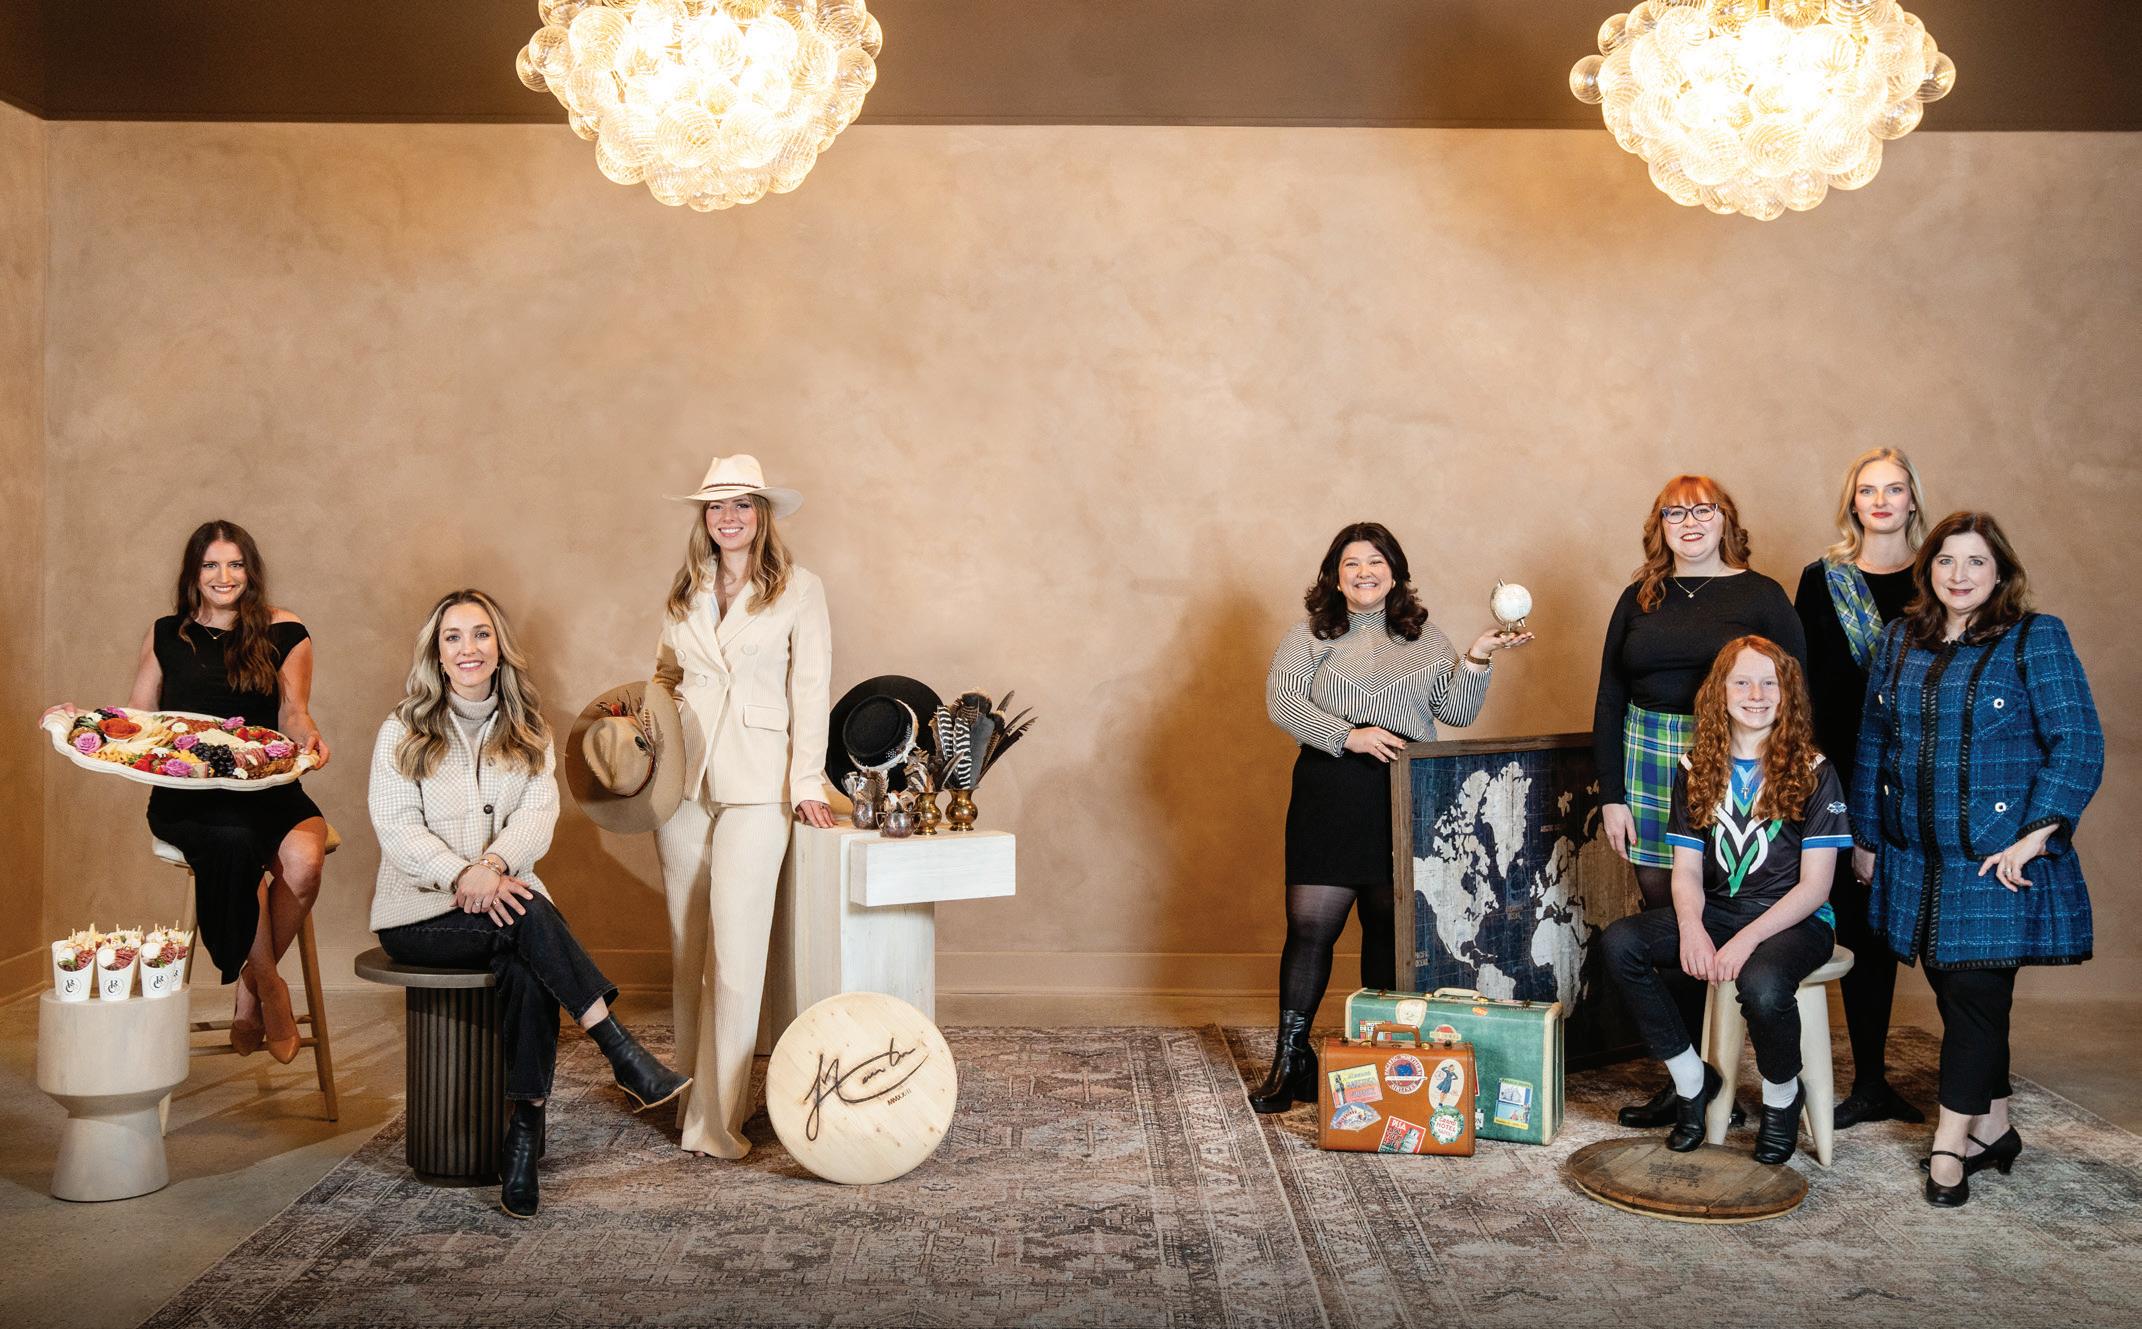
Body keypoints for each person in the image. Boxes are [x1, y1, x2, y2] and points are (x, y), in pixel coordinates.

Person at [368, 589, 688, 1219]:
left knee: (526, 960)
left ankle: (524, 1132)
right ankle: (617, 1050)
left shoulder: (529, 729)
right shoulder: (402, 729)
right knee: (533, 918)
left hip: (504, 902)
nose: (468, 648)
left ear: (499, 647)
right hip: (420, 915)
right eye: (453, 637)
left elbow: (537, 820)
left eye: (480, 634)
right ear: (437, 652)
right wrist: (462, 874)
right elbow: (397, 827)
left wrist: (491, 869)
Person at [1851, 512, 2102, 1206]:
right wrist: (1867, 837)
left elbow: (2078, 740)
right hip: (1915, 858)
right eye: (1946, 561)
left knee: (1975, 1002)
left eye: (1975, 562)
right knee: (1959, 992)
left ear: (2000, 573)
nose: (1959, 575)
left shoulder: (2034, 636)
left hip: (1999, 859)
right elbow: (1874, 741)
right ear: (1928, 569)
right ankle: (1995, 1127)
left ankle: (1948, 1146)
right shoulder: (1899, 637)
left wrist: (2036, 835)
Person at [1251, 521, 1530, 1113]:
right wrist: (1348, 735)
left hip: (1403, 794)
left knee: (1387, 928)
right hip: (1329, 790)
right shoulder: (1308, 636)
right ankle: (1291, 1058)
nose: (1365, 573)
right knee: (1310, 927)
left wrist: (1478, 657)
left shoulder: (1425, 638)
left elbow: (1456, 712)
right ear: (1335, 577)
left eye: (1376, 562)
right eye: (1351, 564)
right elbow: (1282, 702)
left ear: (1395, 572)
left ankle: (1377, 1057)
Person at [50, 521, 333, 1064]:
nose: (224, 576)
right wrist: (80, 718)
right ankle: (270, 986)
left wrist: (310, 736)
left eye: (235, 564)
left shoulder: (285, 629)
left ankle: (248, 986)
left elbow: (294, 713)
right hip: (189, 794)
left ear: (250, 571)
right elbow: (138, 718)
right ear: (193, 573)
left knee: (306, 862)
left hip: (263, 783)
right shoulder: (166, 634)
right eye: (211, 565)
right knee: (235, 846)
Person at [1591, 475, 1805, 1128]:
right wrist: (1612, 795)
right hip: (1647, 757)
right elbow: (1609, 695)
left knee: (1723, 901)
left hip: (1738, 755)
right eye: (1674, 513)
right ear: (1659, 526)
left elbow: (1797, 689)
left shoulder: (1761, 594)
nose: (1690, 522)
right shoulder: (1640, 596)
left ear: (1725, 519)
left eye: (1702, 510)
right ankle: (1689, 1077)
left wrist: (1786, 777)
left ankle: (1731, 1068)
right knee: (1668, 916)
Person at [1601, 636, 1846, 1165]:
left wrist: (1744, 941)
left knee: (1761, 984)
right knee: (1621, 943)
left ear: (1787, 693)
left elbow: (1815, 888)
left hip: (1794, 919)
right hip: (1720, 909)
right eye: (1742, 682)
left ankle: (1783, 1096)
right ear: (1720, 692)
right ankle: (1693, 1080)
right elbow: (1687, 870)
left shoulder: (1815, 770)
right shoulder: (1696, 767)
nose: (1756, 695)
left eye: (1769, 683)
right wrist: (1692, 928)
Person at [652, 454, 836, 1158]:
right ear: (704, 517)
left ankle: (717, 1120)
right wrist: (649, 739)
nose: (727, 517)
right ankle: (692, 1101)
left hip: (760, 784)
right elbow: (664, 674)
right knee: (687, 953)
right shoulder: (685, 589)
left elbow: (811, 688)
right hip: (683, 786)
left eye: (741, 505)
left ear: (762, 515)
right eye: (716, 506)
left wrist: (807, 783)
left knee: (735, 957)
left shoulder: (799, 589)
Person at [1793, 447, 1930, 1130]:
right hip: (1845, 774)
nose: (1881, 501)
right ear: (1853, 502)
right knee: (1862, 926)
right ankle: (1870, 1081)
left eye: (1894, 489)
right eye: (1868, 490)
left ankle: (1977, 1084)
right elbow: (1802, 684)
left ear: (1912, 499)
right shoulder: (1823, 581)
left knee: (1933, 925)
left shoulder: (1941, 578)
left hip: (1924, 778)